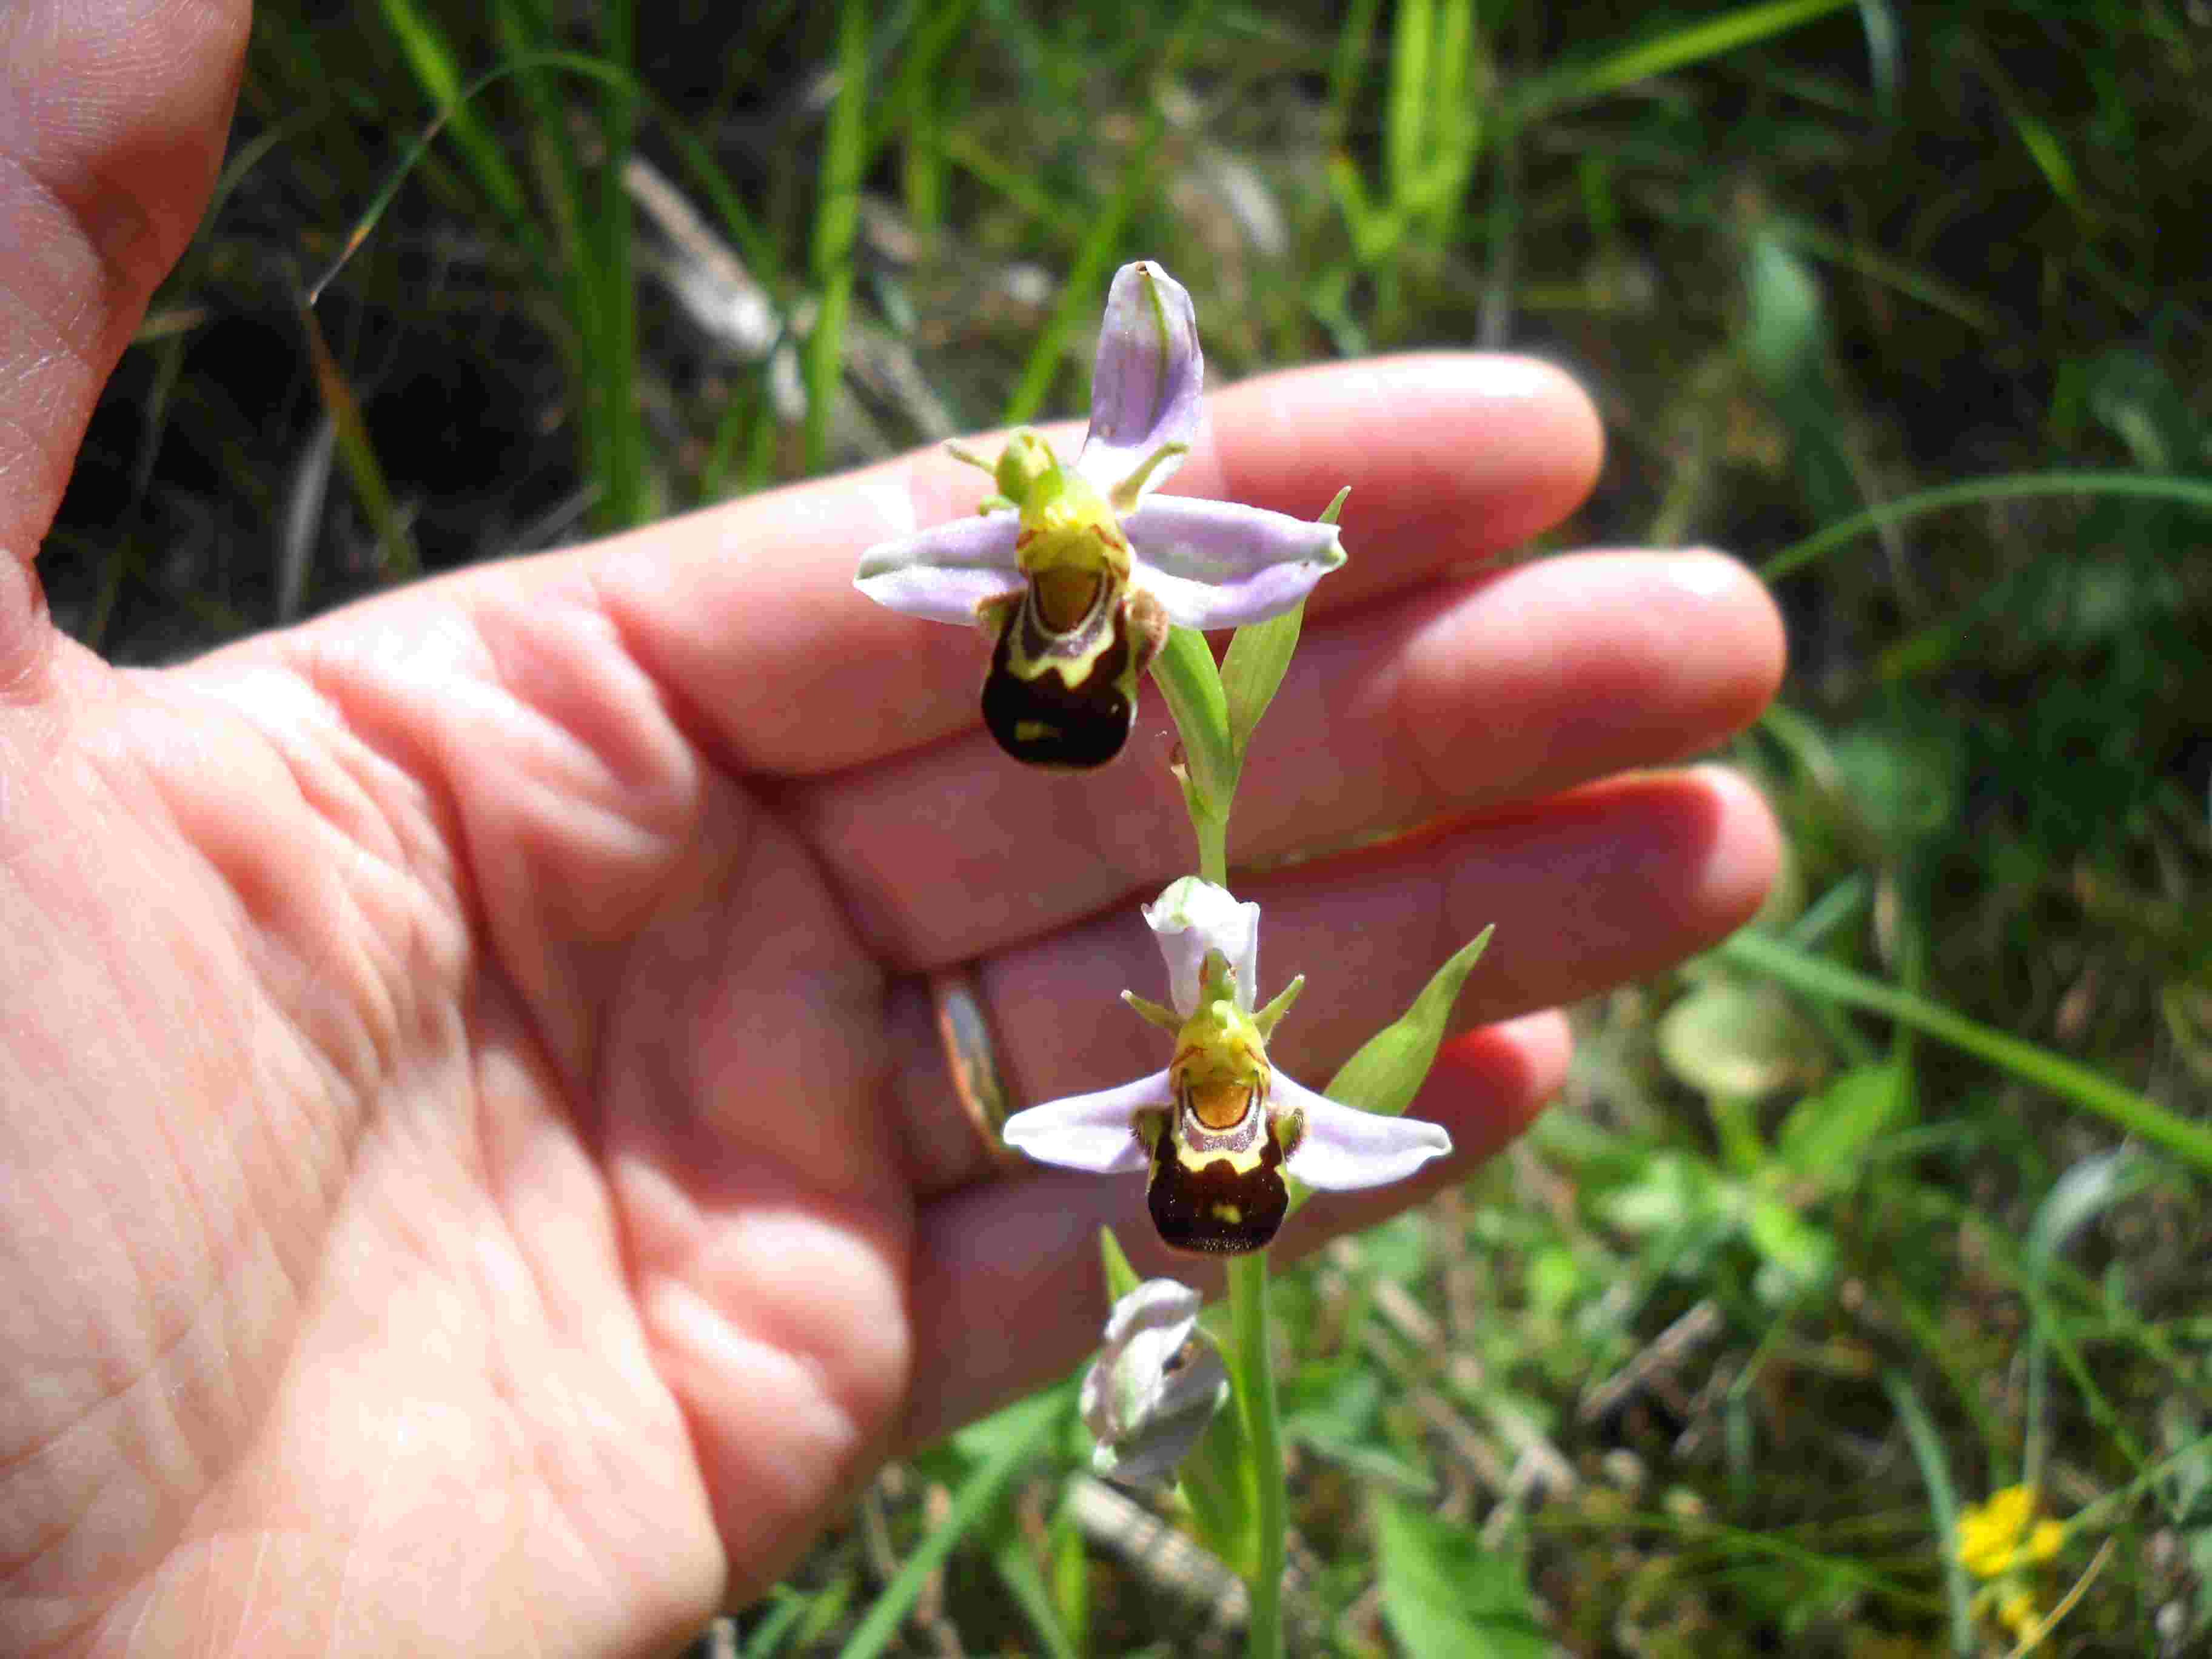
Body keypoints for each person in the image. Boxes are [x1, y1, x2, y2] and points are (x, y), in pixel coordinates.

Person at [0, 4, 1786, 1652]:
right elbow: (915, 568)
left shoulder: (1202, 993)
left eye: (1074, 581)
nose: (1068, 592)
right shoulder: (1060, 633)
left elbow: (1262, 565)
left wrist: (1283, 574)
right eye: (1054, 582)